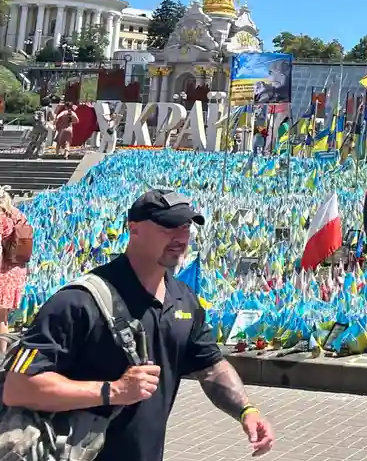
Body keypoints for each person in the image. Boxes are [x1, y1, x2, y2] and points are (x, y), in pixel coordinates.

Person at [3, 188, 276, 461]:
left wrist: (246, 411)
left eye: (185, 226)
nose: (180, 237)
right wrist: (114, 391)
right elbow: (18, 388)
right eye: (168, 226)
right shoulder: (78, 302)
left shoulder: (183, 299)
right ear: (134, 229)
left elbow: (211, 367)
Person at [0, 188, 29, 333]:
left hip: (3, 271)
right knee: (2, 317)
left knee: (0, 318)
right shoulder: (17, 214)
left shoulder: (1, 217)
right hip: (16, 270)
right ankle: (3, 353)